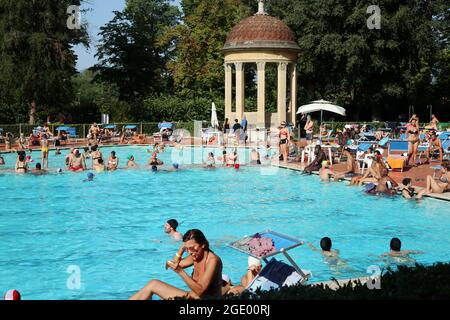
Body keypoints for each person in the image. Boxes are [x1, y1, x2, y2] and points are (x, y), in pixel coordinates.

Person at [129, 229, 223, 300]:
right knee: (153, 284)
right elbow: (172, 265)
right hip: (190, 297)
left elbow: (200, 290)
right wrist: (181, 249)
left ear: (203, 244)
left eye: (192, 248)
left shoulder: (213, 260)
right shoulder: (195, 256)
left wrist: (181, 272)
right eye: (187, 249)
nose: (190, 252)